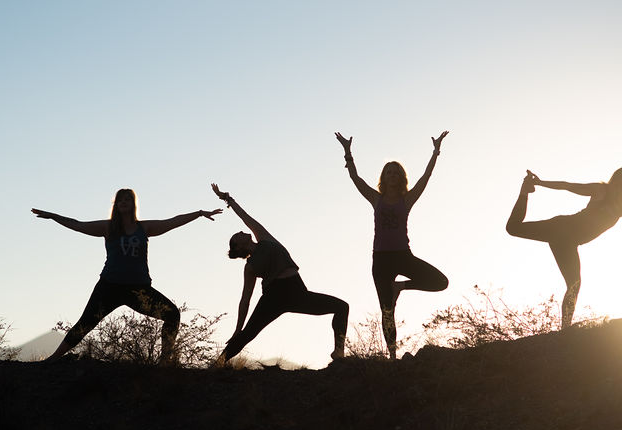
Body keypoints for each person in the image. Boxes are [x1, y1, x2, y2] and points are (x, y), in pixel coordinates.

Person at [32, 188, 222, 362]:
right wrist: (53, 216)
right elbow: (78, 225)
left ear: (133, 204)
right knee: (85, 323)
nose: (123, 202)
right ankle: (53, 359)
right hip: (109, 286)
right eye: (120, 199)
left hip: (138, 289)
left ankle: (165, 362)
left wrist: (198, 214)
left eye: (127, 199)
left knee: (172, 314)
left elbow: (171, 222)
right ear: (116, 205)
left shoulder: (144, 228)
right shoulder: (107, 227)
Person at [505, 164, 622, 330]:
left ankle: (565, 329)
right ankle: (525, 191)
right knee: (513, 228)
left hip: (567, 243)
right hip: (561, 227)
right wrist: (540, 182)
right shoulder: (600, 190)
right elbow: (568, 185)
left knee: (574, 284)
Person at [335, 131, 450, 359]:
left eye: (396, 172)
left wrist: (435, 152)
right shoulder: (375, 198)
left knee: (440, 282)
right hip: (381, 260)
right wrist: (348, 152)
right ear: (384, 177)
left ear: (401, 177)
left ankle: (400, 287)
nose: (392, 175)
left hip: (403, 255)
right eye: (389, 172)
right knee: (387, 311)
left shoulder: (406, 200)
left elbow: (424, 179)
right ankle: (392, 357)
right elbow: (355, 179)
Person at [210, 183, 349, 367]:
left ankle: (339, 352)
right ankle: (217, 365)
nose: (242, 231)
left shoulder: (264, 239)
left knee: (341, 307)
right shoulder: (250, 267)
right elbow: (245, 299)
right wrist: (238, 328)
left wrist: (228, 199)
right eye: (238, 235)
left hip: (297, 291)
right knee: (248, 334)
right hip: (273, 297)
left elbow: (245, 217)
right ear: (238, 246)